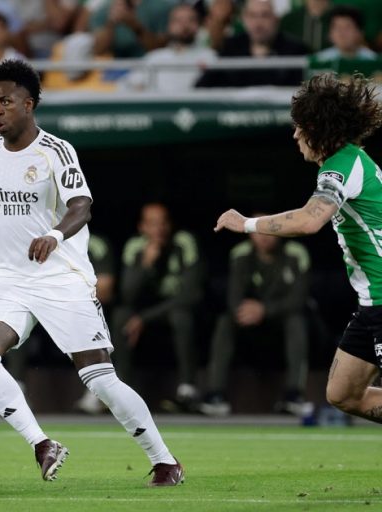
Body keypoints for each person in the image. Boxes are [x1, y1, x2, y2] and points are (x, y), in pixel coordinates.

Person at [0, 59, 184, 486]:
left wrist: (55, 235)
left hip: (62, 279)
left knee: (100, 379)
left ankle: (165, 461)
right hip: (11, 280)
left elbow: (82, 205)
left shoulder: (55, 151)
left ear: (29, 104)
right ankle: (42, 444)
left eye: (5, 102)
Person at [214, 72, 382, 426]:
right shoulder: (348, 162)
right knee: (343, 393)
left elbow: (309, 220)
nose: (294, 135)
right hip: (371, 302)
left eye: (300, 127)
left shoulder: (342, 166)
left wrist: (247, 223)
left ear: (319, 129)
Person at [200, 221, 312, 417]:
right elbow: (234, 299)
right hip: (250, 327)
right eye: (257, 229)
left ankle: (294, 394)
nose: (263, 235)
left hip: (281, 325)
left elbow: (299, 299)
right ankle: (216, 395)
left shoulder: (295, 253)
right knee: (225, 321)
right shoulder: (241, 254)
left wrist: (265, 310)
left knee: (296, 320)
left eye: (268, 227)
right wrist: (249, 311)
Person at [112, 203, 202, 410]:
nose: (159, 229)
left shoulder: (184, 242)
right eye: (152, 224)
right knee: (120, 316)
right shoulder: (135, 246)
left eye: (163, 223)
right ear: (142, 227)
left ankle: (187, 390)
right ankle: (122, 391)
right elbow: (127, 294)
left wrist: (144, 319)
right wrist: (145, 264)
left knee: (181, 316)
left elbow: (191, 294)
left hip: (172, 308)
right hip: (144, 309)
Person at [196, 0, 308, 88]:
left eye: (265, 15)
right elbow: (202, 87)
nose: (258, 23)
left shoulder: (295, 50)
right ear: (244, 19)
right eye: (252, 15)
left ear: (276, 19)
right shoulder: (230, 47)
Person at [123, 3, 216, 92]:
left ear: (199, 25)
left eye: (191, 20)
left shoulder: (210, 57)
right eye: (178, 21)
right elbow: (129, 85)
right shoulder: (154, 58)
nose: (185, 25)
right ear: (169, 26)